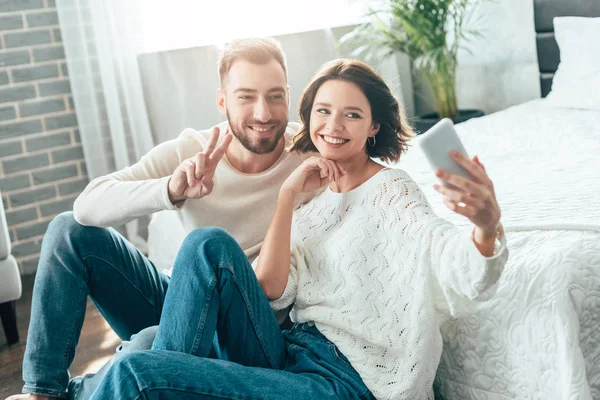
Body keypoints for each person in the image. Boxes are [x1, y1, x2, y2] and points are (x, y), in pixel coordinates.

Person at [85, 59, 508, 400]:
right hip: (288, 353)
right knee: (206, 244)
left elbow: (448, 257)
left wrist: (486, 228)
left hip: (347, 382)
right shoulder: (312, 200)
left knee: (135, 370)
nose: (334, 126)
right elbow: (271, 292)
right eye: (323, 112)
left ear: (373, 127)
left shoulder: (391, 190)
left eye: (352, 114)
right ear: (308, 118)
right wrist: (287, 195)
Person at [7, 37, 316, 400]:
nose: (263, 113)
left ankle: (113, 382)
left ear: (289, 96)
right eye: (246, 96)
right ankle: (42, 392)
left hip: (246, 325)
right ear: (222, 101)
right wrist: (170, 190)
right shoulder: (193, 149)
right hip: (185, 295)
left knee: (149, 342)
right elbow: (87, 205)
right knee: (69, 230)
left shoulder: (308, 155)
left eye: (275, 96)